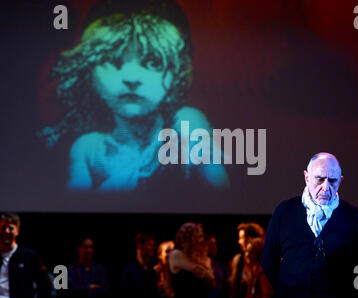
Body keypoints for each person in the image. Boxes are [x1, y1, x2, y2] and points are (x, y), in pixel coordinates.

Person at [38, 0, 229, 191]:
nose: (131, 78)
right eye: (112, 60)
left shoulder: (187, 123)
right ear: (89, 70)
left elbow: (220, 193)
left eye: (153, 61)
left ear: (177, 71)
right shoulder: (88, 149)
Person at [262, 152, 358, 298]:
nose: (326, 188)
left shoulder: (354, 216)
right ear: (307, 178)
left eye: (333, 181)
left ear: (340, 181)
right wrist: (283, 290)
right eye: (320, 180)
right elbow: (268, 259)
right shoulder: (285, 211)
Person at [0, 212, 51, 298]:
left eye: (11, 228)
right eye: (3, 227)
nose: (6, 231)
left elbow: (44, 285)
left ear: (17, 231)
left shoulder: (28, 256)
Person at [168, 223, 215, 298]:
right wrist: (206, 269)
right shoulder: (176, 255)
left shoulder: (202, 257)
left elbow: (212, 283)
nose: (202, 240)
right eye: (199, 236)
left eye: (202, 236)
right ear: (189, 238)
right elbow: (199, 269)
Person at [228, 222, 265, 298]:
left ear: (251, 238)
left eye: (242, 238)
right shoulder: (238, 260)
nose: (239, 242)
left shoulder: (264, 263)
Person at [121, 233, 159, 298]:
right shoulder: (129, 271)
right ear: (140, 246)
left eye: (153, 245)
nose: (153, 248)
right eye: (150, 244)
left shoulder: (154, 269)